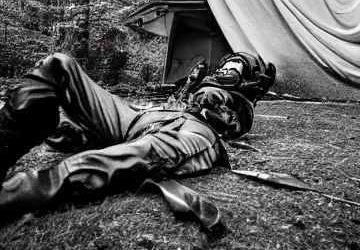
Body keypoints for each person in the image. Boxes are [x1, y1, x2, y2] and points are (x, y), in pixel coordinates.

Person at [0, 51, 276, 223]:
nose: (224, 71)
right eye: (225, 66)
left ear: (248, 80)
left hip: (190, 131)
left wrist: (212, 93)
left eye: (234, 69)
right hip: (137, 117)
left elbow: (232, 117)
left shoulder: (239, 104)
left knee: (137, 158)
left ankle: (15, 194)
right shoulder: (199, 85)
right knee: (59, 65)